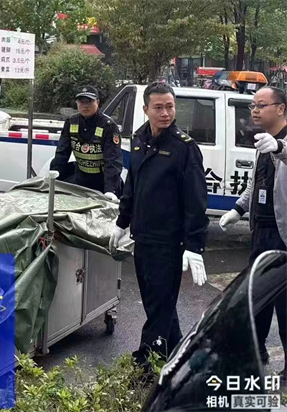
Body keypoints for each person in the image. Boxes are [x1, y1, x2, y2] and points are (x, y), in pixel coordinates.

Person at [109, 82, 209, 372]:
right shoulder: (139, 139)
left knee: (159, 307)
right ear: (146, 109)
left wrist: (194, 245)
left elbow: (196, 200)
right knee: (158, 303)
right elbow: (133, 184)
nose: (165, 113)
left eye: (170, 107)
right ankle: (180, 356)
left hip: (169, 242)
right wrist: (122, 222)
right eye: (159, 107)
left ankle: (146, 365)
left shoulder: (184, 148)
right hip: (143, 237)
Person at [220, 86, 287, 381]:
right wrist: (238, 209)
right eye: (253, 105)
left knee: (284, 304)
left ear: (281, 108)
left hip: (283, 235)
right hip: (260, 232)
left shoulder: (278, 142)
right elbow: (255, 182)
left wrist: (279, 148)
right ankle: (256, 353)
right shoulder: (263, 141)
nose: (255, 111)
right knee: (256, 296)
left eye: (261, 105)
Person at [49, 85, 123, 201]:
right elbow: (62, 153)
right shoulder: (71, 122)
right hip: (80, 181)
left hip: (103, 183)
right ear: (77, 103)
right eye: (81, 101)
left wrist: (110, 190)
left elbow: (113, 160)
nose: (85, 105)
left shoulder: (108, 126)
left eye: (89, 101)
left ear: (97, 102)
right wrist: (53, 177)